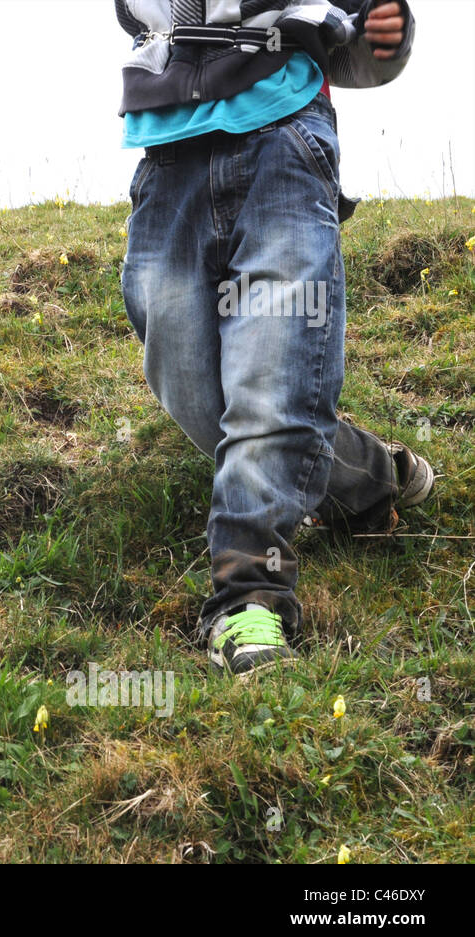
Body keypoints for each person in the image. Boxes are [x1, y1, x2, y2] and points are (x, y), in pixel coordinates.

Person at [115, 0, 434, 675]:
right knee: (188, 372)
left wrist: (386, 35)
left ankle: (248, 597)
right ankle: (366, 474)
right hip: (169, 148)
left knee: (271, 374)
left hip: (283, 133)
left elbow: (356, 26)